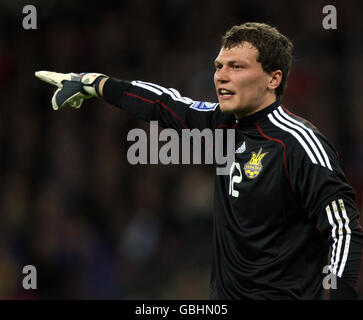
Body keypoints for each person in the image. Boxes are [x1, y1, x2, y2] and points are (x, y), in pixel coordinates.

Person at [35, 22, 363, 300]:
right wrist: (93, 83)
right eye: (219, 66)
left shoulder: (299, 144)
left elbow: (344, 227)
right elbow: (163, 103)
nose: (221, 77)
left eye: (237, 67)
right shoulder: (222, 122)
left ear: (272, 79)